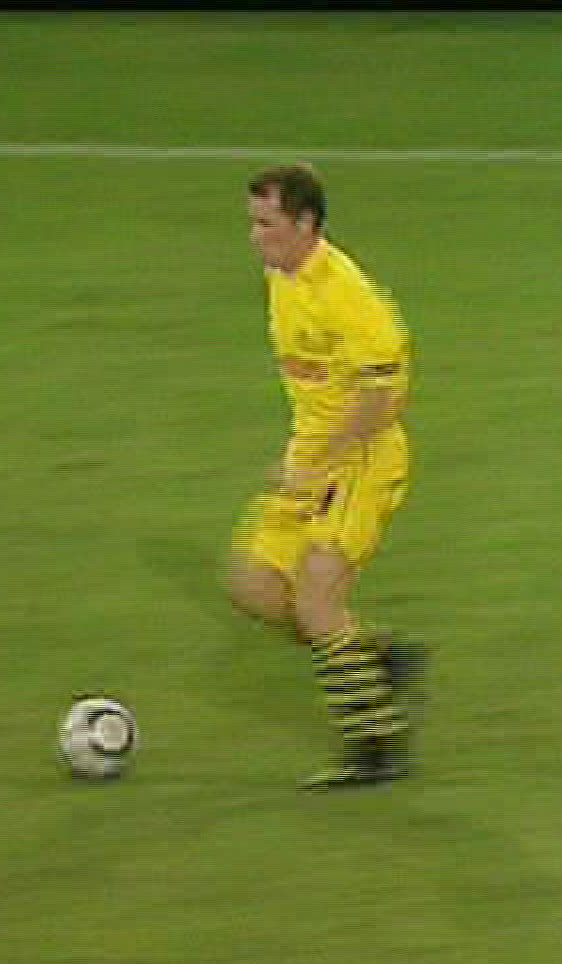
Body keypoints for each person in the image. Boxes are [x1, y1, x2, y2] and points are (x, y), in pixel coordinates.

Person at [227, 162, 428, 789]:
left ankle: (376, 743)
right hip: (310, 457)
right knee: (254, 588)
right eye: (253, 223)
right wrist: (300, 456)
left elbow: (384, 399)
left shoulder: (346, 294)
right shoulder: (281, 273)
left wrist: (321, 457)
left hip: (360, 461)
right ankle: (374, 656)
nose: (255, 236)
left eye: (267, 224)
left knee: (316, 602)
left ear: (306, 223)